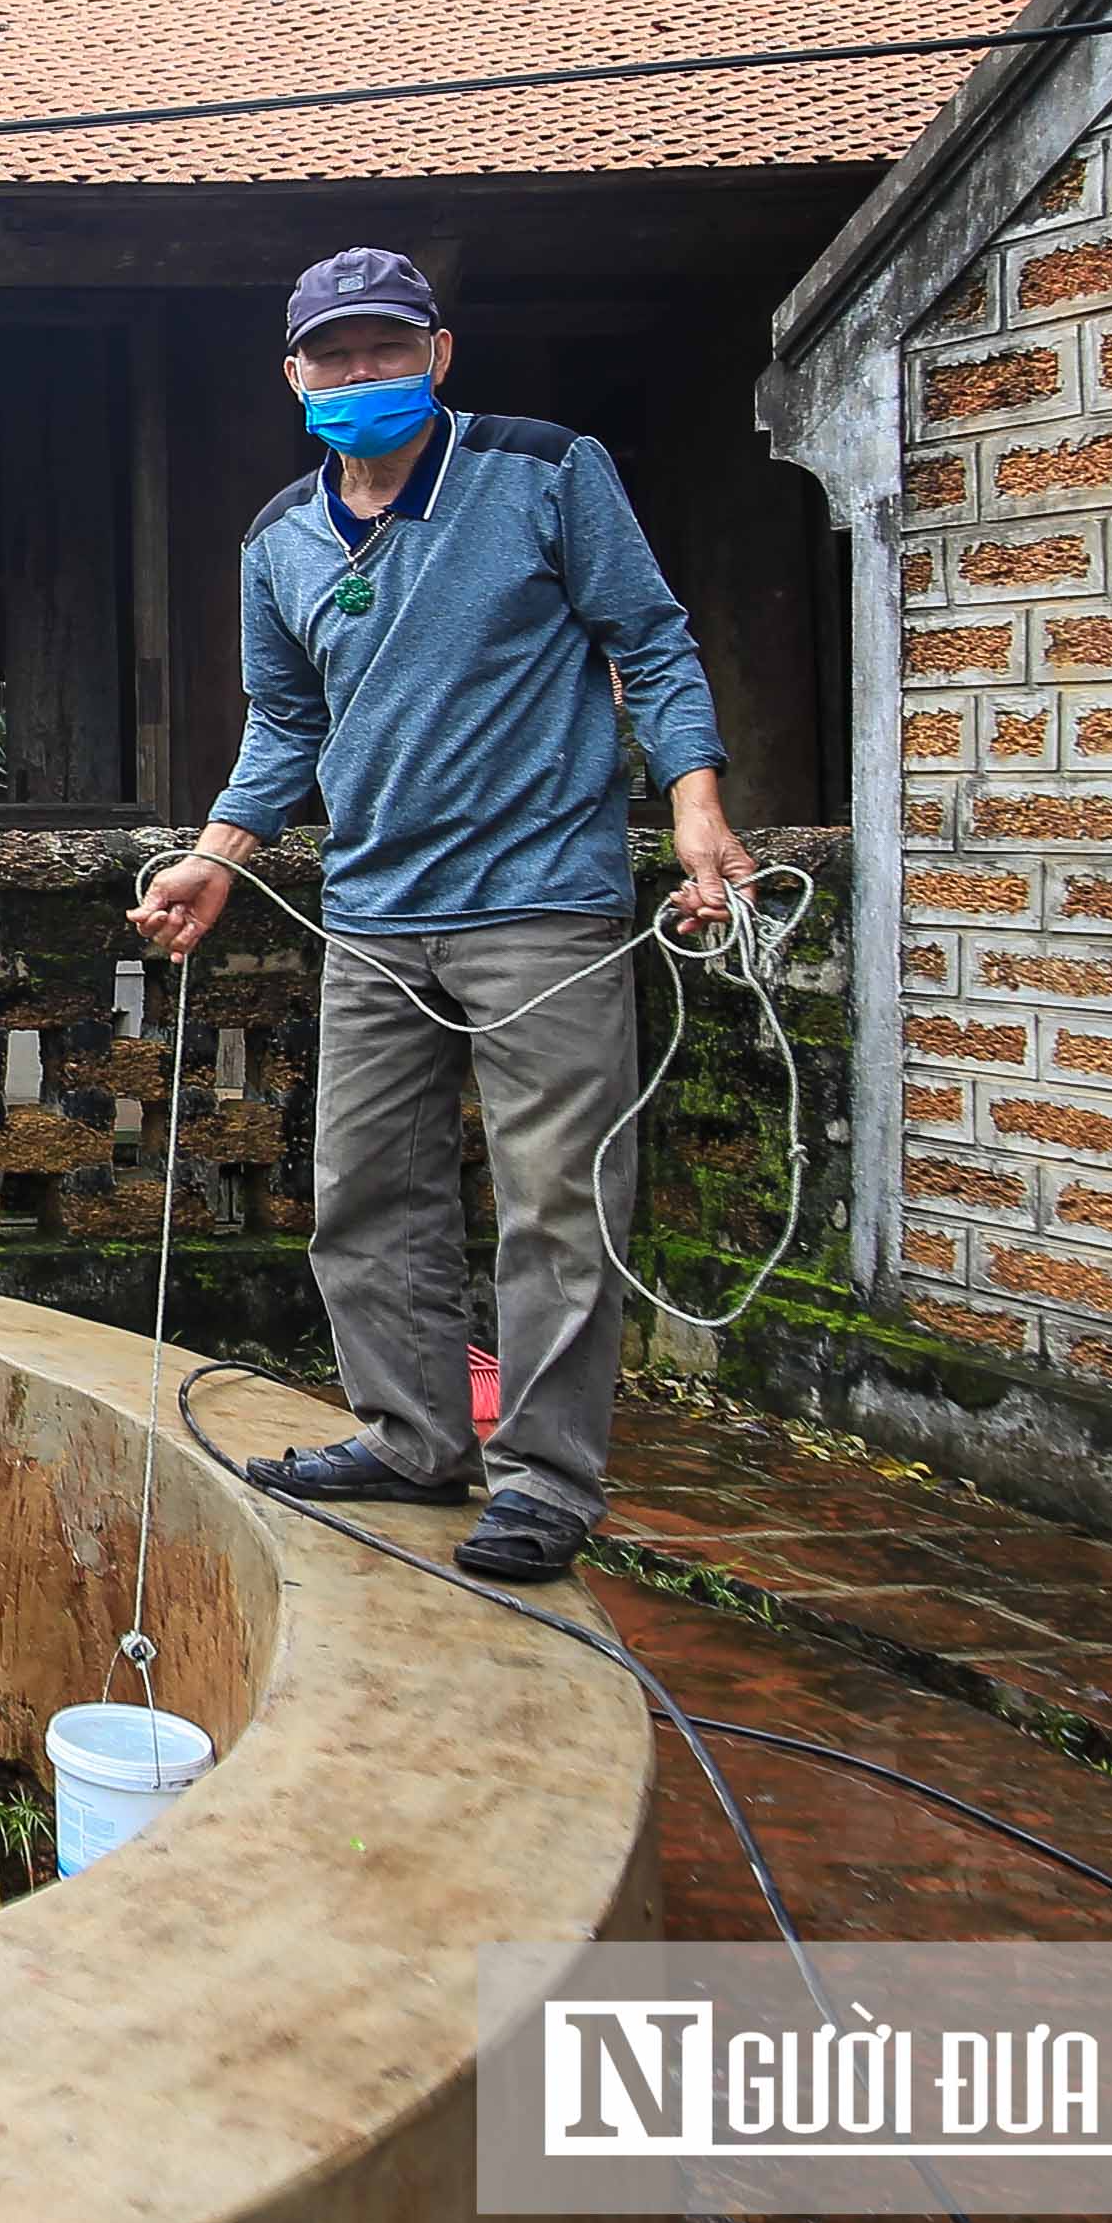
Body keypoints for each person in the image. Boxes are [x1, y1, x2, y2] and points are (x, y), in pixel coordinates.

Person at [131, 248, 757, 1584]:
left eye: (389, 350)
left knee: (558, 1206)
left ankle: (544, 1482)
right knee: (363, 1191)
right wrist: (218, 856)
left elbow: (650, 640)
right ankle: (414, 1436)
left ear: (440, 355)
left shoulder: (541, 471)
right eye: (338, 356)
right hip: (373, 909)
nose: (365, 375)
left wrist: (696, 810)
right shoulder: (279, 540)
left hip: (543, 903)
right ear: (294, 374)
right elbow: (289, 721)